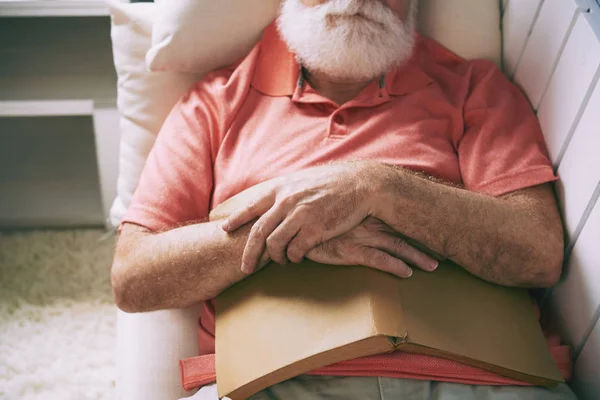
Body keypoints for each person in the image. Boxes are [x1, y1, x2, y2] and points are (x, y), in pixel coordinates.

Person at [111, 0, 578, 399]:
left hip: (480, 376)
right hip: (272, 381)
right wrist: (294, 231)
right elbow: (134, 278)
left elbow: (537, 252)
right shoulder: (214, 102)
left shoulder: (474, 85)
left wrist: (377, 188)